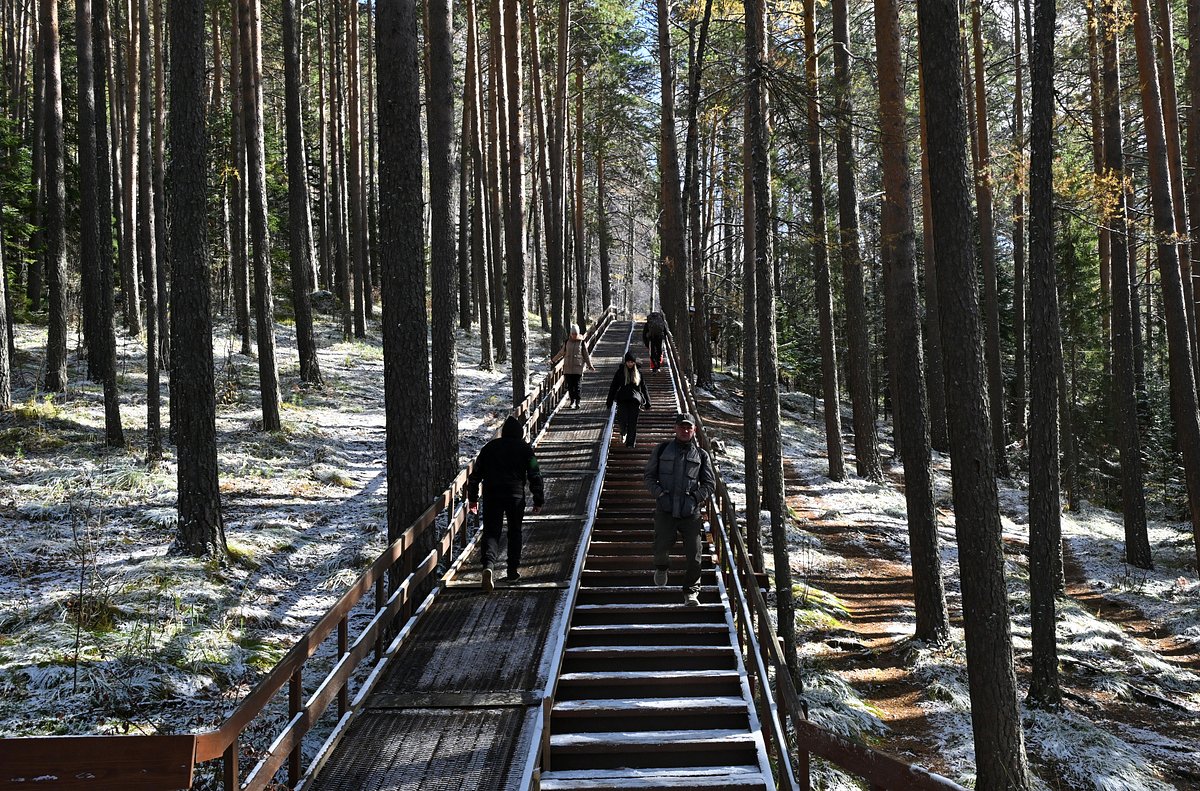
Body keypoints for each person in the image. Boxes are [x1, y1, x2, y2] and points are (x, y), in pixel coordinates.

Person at [644, 412, 716, 606]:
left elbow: (710, 484)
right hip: (665, 510)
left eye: (689, 427)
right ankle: (661, 567)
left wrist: (695, 498)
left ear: (694, 430)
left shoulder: (701, 455)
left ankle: (691, 593)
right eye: (682, 427)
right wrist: (659, 494)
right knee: (660, 548)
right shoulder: (661, 450)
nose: (685, 430)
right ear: (675, 428)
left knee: (695, 555)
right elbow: (649, 477)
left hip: (690, 514)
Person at [467, 415, 545, 592]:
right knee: (514, 531)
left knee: (491, 531)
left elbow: (475, 474)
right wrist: (538, 498)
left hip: (492, 494)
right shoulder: (526, 450)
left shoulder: (489, 448)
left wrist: (472, 498)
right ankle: (512, 571)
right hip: (515, 495)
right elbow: (535, 474)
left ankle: (488, 565)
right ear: (520, 433)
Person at [606, 351, 651, 447]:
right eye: (628, 362)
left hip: (635, 400)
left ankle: (630, 443)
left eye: (632, 362)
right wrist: (609, 401)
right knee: (622, 420)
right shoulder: (620, 372)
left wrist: (648, 401)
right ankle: (623, 432)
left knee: (632, 422)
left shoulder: (638, 373)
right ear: (625, 362)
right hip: (622, 399)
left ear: (634, 362)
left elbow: (644, 387)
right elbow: (614, 386)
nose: (630, 364)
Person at [561, 323, 596, 409]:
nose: (574, 335)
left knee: (577, 386)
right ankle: (572, 401)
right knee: (570, 387)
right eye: (572, 334)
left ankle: (577, 402)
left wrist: (590, 365)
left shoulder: (582, 342)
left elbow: (586, 355)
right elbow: (561, 352)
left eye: (575, 334)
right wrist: (552, 360)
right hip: (568, 368)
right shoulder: (567, 342)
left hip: (578, 368)